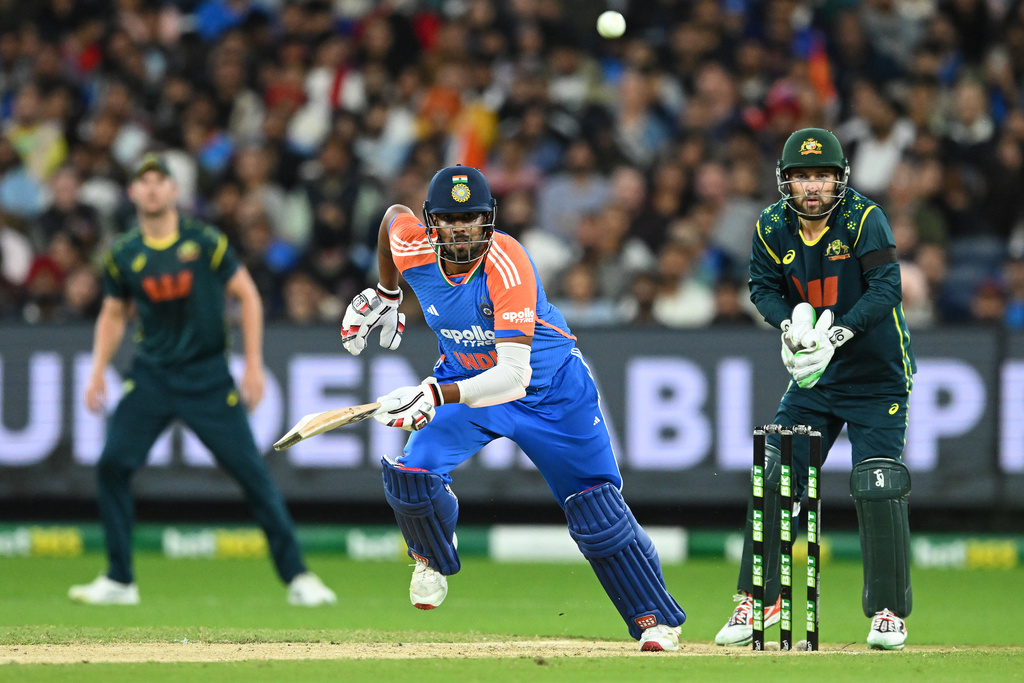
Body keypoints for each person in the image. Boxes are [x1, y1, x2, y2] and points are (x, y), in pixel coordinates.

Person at [340, 165, 686, 651]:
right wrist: (387, 291)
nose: (461, 230)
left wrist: (435, 395)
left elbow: (514, 376)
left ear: (489, 220)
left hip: (549, 392)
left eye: (472, 219)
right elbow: (391, 218)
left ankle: (655, 620)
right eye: (449, 220)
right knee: (409, 474)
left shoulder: (508, 263)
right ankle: (433, 555)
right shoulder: (413, 245)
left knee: (597, 512)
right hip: (466, 382)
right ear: (431, 223)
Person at [68, 153, 336, 607]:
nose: (152, 188)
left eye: (160, 181)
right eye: (143, 182)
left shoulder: (205, 242)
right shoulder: (124, 254)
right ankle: (119, 579)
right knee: (112, 464)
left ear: (174, 191)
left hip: (208, 377)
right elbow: (113, 314)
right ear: (133, 193)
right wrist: (97, 369)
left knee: (252, 475)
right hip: (151, 375)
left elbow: (247, 296)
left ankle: (298, 577)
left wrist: (252, 363)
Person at [714, 128, 916, 650]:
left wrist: (839, 332)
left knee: (878, 485)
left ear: (839, 180)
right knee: (777, 473)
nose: (812, 187)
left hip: (877, 377)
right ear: (785, 181)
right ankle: (758, 598)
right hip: (816, 379)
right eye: (802, 176)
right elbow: (762, 288)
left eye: (822, 176)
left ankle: (888, 613)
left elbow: (887, 287)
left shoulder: (865, 219)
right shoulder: (770, 226)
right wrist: (788, 326)